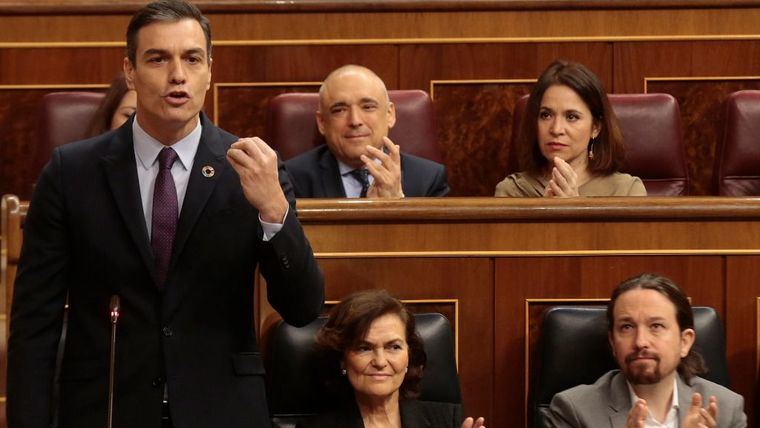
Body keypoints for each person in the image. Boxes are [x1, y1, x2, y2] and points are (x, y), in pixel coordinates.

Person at [7, 1, 324, 428]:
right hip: (107, 410)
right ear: (130, 72)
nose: (178, 74)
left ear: (210, 69)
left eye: (192, 58)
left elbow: (303, 308)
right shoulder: (72, 173)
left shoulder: (252, 167)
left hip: (221, 410)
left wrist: (274, 210)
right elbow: (34, 324)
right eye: (158, 59)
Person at [547, 273, 746, 427]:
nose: (640, 341)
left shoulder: (725, 409)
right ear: (612, 342)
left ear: (685, 342)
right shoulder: (574, 410)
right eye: (627, 327)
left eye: (656, 326)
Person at [297, 289, 485, 428]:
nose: (380, 362)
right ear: (342, 359)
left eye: (393, 347)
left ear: (409, 356)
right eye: (364, 348)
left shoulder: (448, 421)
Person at [285, 65, 449, 198]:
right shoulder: (293, 179)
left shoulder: (429, 179)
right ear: (322, 123)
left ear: (389, 114)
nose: (355, 121)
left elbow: (437, 239)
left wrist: (397, 208)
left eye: (368, 107)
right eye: (340, 110)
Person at [495, 60, 647, 197]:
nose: (556, 129)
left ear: (595, 127)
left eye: (571, 117)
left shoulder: (627, 191)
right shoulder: (512, 191)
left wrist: (575, 209)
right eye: (546, 115)